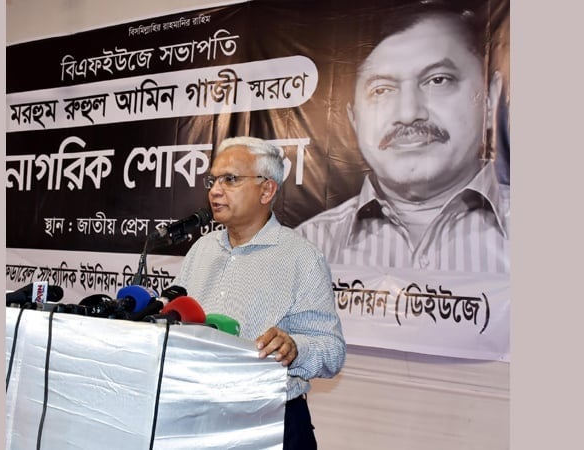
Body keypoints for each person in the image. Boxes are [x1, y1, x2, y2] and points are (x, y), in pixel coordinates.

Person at [296, 2, 509, 274]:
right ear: (353, 119)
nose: (408, 114)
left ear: (490, 96)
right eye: (382, 90)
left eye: (438, 80)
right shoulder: (308, 247)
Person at [173, 136, 346, 449]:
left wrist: (295, 347)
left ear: (267, 190)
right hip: (199, 417)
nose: (214, 190)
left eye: (231, 179)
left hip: (271, 423)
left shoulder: (301, 257)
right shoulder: (201, 250)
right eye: (213, 179)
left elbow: (332, 351)